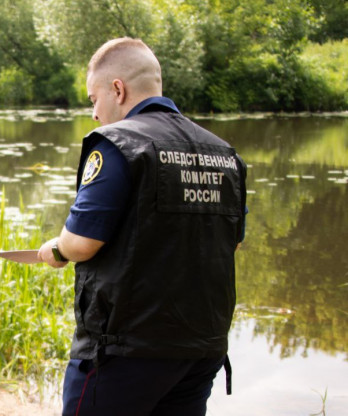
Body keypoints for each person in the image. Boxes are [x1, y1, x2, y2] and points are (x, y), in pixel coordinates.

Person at [37, 37, 247, 416]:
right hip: (200, 350)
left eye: (93, 99)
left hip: (124, 353)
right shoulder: (224, 153)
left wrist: (56, 249)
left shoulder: (118, 144)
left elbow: (82, 242)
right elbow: (228, 244)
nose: (95, 114)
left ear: (118, 89)